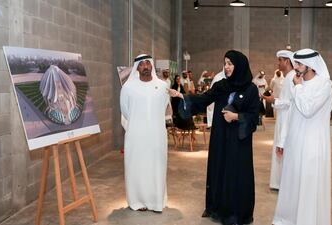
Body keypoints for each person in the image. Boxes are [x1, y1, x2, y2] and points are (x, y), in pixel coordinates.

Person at [169, 50, 260, 225]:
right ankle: (217, 208)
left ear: (239, 65)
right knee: (219, 170)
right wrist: (181, 96)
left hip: (239, 141)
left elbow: (254, 117)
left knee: (236, 174)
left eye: (230, 64)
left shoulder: (251, 89)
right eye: (225, 63)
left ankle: (236, 213)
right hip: (220, 137)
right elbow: (203, 99)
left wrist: (237, 117)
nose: (226, 67)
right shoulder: (221, 86)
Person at [272, 49, 332, 225]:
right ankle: (289, 219)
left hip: (313, 144)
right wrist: (283, 141)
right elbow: (291, 113)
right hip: (295, 142)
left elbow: (308, 109)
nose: (296, 68)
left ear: (311, 66)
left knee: (308, 184)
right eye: (296, 63)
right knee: (293, 181)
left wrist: (298, 86)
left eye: (299, 64)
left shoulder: (324, 85)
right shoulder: (296, 83)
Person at [120, 54, 169, 212]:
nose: (146, 66)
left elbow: (163, 108)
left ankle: (156, 201)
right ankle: (137, 201)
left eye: (148, 63)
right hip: (136, 135)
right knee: (137, 166)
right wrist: (139, 124)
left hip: (157, 135)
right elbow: (126, 111)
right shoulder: (128, 88)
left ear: (152, 65)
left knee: (156, 166)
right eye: (142, 64)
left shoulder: (162, 86)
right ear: (137, 68)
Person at [262, 50, 296, 190]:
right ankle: (279, 182)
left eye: (280, 60)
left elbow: (288, 102)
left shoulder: (291, 77)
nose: (278, 63)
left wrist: (272, 100)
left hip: (286, 117)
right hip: (283, 116)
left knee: (282, 148)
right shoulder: (288, 76)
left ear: (287, 61)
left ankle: (282, 183)